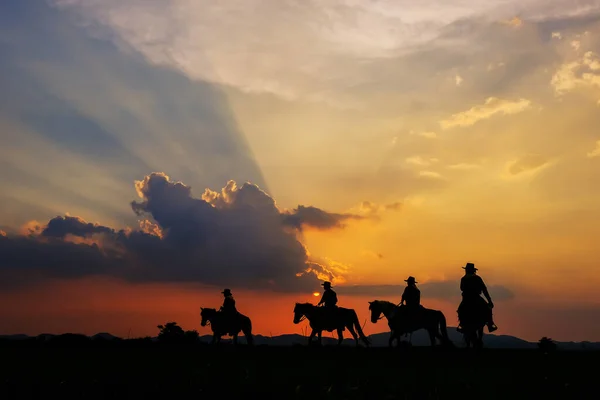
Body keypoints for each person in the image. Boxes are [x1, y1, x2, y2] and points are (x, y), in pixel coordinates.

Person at [456, 263, 498, 333]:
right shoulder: (477, 278)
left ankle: (461, 325)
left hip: (466, 299)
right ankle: (490, 324)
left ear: (466, 270)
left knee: (460, 310)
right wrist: (489, 301)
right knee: (488, 308)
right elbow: (484, 289)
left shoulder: (463, 278)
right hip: (476, 298)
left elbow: (461, 288)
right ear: (473, 270)